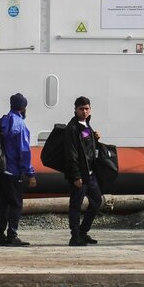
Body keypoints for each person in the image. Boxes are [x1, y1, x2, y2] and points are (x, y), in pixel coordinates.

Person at [0, 93, 37, 247]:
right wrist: (30, 173)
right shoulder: (20, 125)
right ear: (23, 107)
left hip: (1, 170)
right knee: (16, 204)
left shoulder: (2, 121)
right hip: (13, 171)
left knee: (2, 203)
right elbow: (24, 151)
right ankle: (12, 235)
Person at [64, 96, 102, 247]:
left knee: (97, 201)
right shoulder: (72, 128)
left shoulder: (86, 125)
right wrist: (75, 176)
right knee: (76, 205)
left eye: (87, 108)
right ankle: (75, 236)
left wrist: (95, 138)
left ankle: (83, 231)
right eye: (81, 109)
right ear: (75, 110)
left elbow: (87, 147)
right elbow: (71, 154)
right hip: (79, 174)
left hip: (90, 174)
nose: (84, 111)